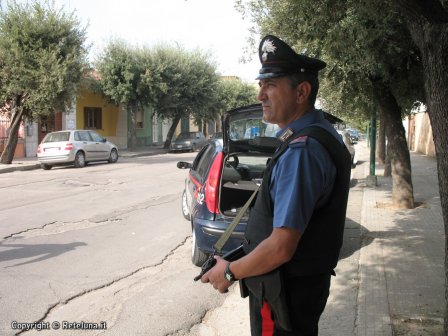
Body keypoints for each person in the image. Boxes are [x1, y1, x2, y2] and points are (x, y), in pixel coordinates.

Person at [201, 34, 351, 336]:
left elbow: (281, 247)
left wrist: (229, 272)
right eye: (260, 85)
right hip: (292, 291)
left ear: (301, 92)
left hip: (282, 296)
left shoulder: (303, 150)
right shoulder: (313, 134)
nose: (260, 95)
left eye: (270, 85)